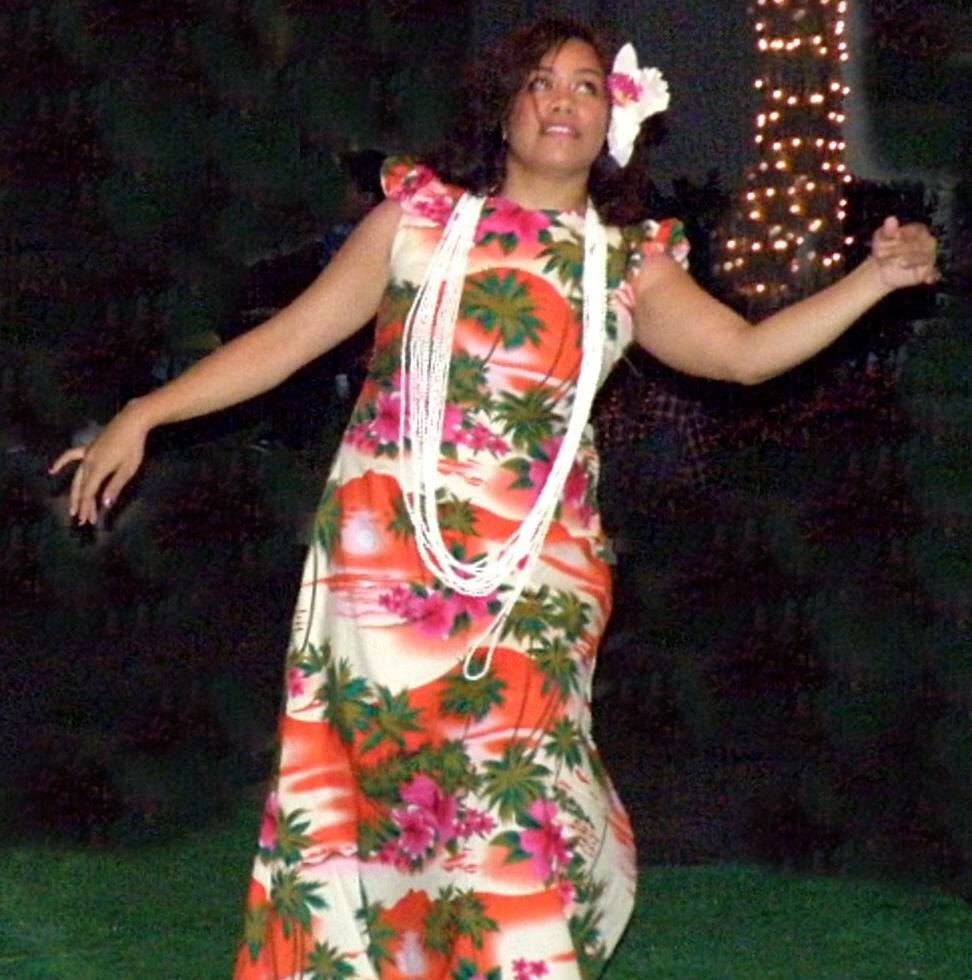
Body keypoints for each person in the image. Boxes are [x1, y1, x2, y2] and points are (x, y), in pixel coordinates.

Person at [51, 17, 938, 980]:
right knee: (390, 791)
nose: (563, 102)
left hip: (538, 578)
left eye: (587, 86)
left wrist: (875, 279)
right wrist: (146, 412)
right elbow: (288, 342)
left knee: (507, 790)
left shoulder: (629, 262)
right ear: (505, 110)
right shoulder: (416, 223)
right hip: (380, 562)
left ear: (612, 121)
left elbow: (746, 355)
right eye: (540, 83)